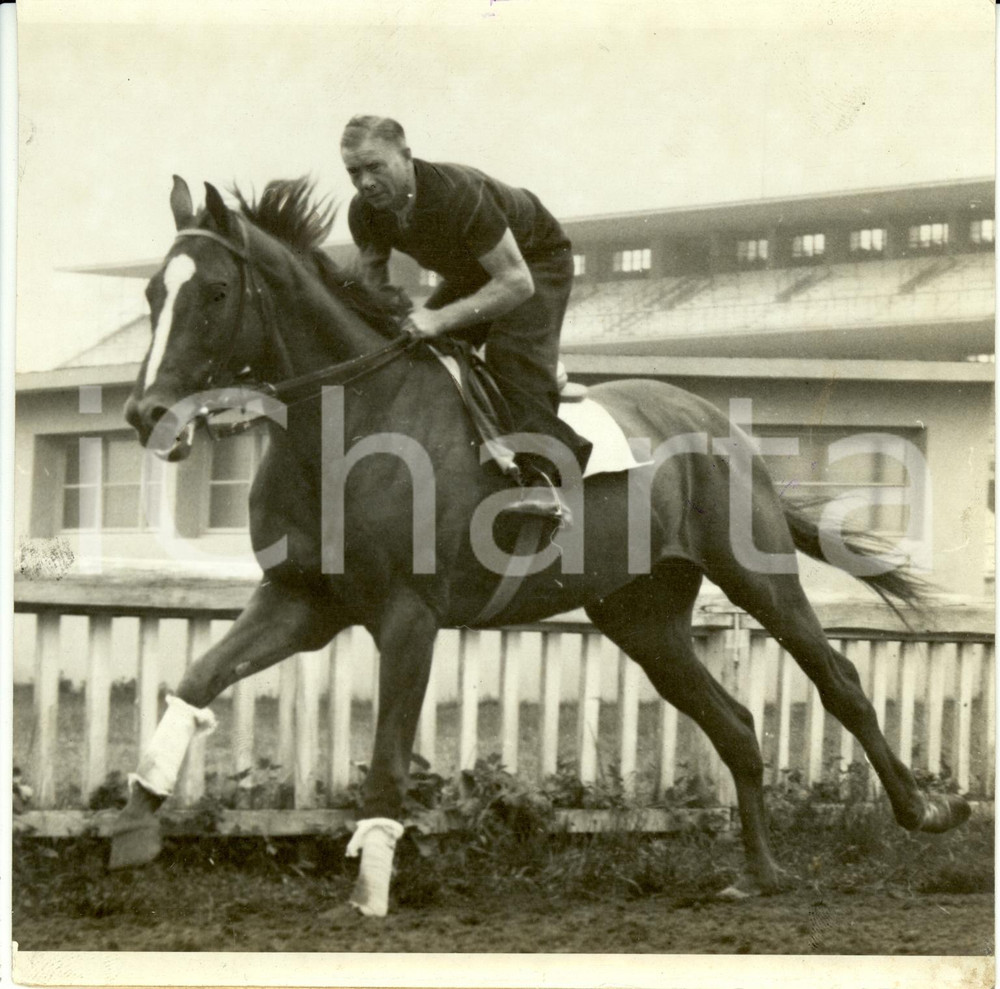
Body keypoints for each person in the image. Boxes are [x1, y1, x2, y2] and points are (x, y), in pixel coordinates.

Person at [340, 115, 591, 524]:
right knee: (408, 348)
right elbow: (374, 292)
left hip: (532, 265)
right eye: (353, 172)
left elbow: (515, 283)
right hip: (472, 273)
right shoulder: (364, 213)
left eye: (374, 167)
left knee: (510, 356)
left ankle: (543, 481)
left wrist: (437, 320)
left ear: (406, 156)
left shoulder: (457, 194)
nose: (364, 182)